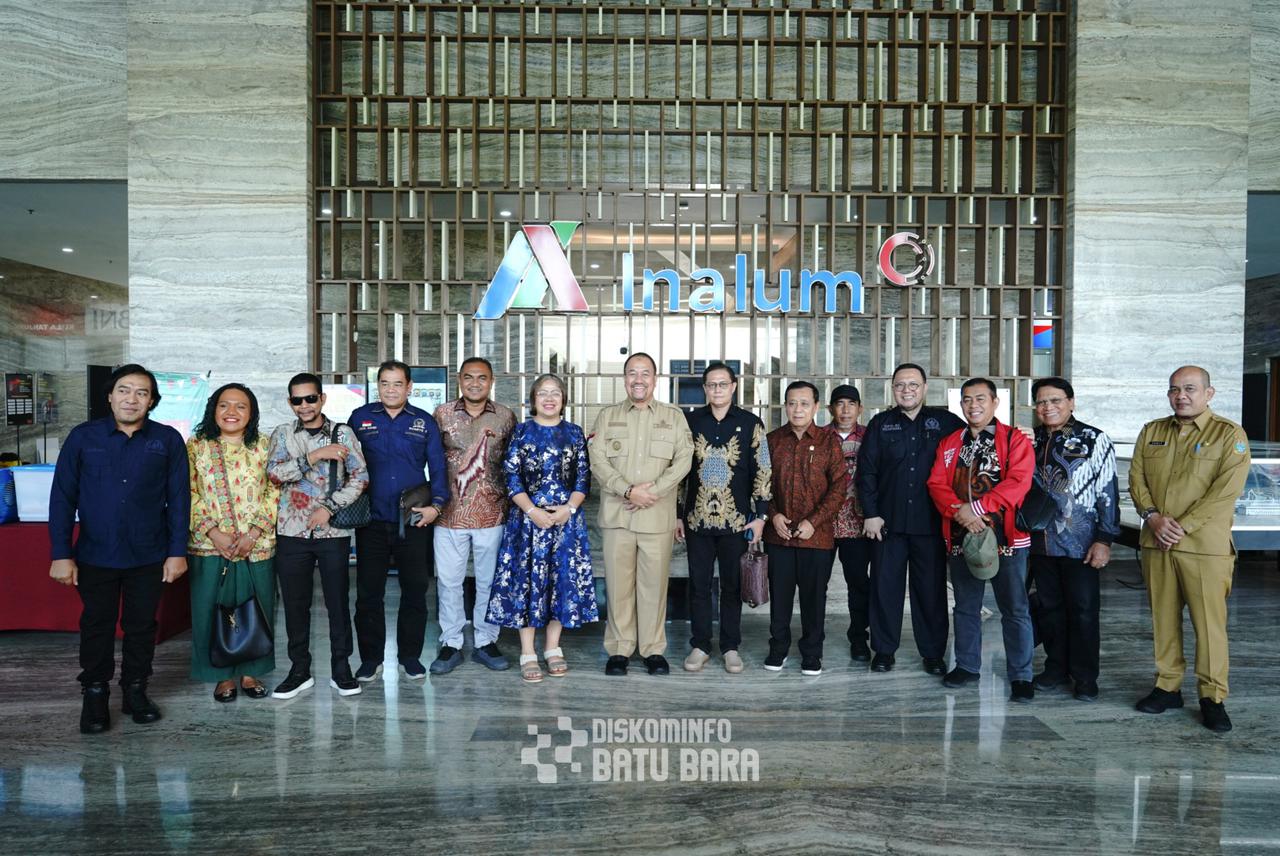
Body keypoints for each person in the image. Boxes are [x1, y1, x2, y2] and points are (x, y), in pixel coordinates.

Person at [48, 364, 190, 734]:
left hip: (149, 554)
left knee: (141, 626)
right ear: (109, 396)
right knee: (97, 625)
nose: (132, 399)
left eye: (141, 393)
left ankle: (135, 691)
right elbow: (62, 498)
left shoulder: (167, 441)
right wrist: (61, 554)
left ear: (152, 401)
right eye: (124, 390)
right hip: (96, 553)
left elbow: (179, 499)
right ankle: (94, 694)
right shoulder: (83, 438)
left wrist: (177, 551)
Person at [1129, 366, 1250, 733]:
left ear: (1208, 394)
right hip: (1157, 543)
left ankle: (1212, 697)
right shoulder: (1152, 431)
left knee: (1209, 626)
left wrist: (1181, 526)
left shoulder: (1229, 435)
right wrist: (1152, 518)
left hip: (1202, 548)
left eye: (1190, 388)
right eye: (1174, 389)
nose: (1181, 395)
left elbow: (1225, 491)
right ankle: (1167, 686)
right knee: (1163, 620)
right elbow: (1136, 479)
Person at [927, 377, 1036, 702]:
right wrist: (958, 512)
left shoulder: (1014, 439)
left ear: (994, 403)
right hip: (962, 537)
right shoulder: (950, 443)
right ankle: (967, 666)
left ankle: (1021, 675)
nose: (973, 406)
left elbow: (1019, 482)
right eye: (967, 400)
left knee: (1014, 608)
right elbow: (935, 483)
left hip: (1007, 539)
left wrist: (976, 508)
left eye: (980, 399)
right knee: (966, 607)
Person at [486, 374, 598, 683]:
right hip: (527, 522)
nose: (549, 398)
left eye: (556, 393)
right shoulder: (521, 432)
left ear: (564, 398)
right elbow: (511, 478)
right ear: (533, 399)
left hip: (566, 524)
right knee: (528, 584)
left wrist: (568, 509)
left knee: (559, 582)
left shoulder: (574, 433)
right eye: (543, 393)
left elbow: (583, 479)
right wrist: (533, 511)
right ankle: (527, 652)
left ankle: (552, 648)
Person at [588, 352, 693, 676]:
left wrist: (654, 491)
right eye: (632, 373)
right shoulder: (607, 416)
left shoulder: (673, 417)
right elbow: (597, 459)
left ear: (655, 379)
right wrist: (628, 490)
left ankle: (652, 650)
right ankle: (619, 650)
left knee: (653, 586)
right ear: (624, 379)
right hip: (618, 516)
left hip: (656, 518)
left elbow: (684, 459)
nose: (638, 379)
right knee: (618, 586)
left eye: (645, 373)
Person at [266, 373, 369, 699]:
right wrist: (313, 456)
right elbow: (273, 473)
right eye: (297, 400)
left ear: (321, 399)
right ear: (290, 402)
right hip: (291, 532)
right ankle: (299, 671)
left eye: (310, 398)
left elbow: (361, 477)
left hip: (332, 532)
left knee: (337, 603)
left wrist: (329, 507)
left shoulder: (343, 433)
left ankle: (342, 669)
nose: (305, 405)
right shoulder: (282, 435)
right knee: (295, 606)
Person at [857, 363, 964, 674]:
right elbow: (867, 472)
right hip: (886, 525)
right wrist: (871, 513)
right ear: (893, 389)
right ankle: (884, 651)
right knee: (884, 589)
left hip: (930, 525)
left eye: (913, 384)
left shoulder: (946, 423)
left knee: (930, 592)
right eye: (901, 385)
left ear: (925, 388)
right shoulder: (881, 424)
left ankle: (932, 654)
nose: (907, 390)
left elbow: (974, 444)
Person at [350, 360, 450, 681]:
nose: (390, 390)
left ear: (409, 387)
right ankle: (370, 659)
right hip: (372, 521)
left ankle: (410, 656)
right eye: (384, 383)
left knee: (415, 591)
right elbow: (349, 464)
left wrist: (437, 505)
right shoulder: (360, 418)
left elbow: (437, 468)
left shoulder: (424, 422)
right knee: (368, 594)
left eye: (397, 384)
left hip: (414, 519)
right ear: (377, 386)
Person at [1027, 377, 1120, 702]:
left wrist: (1104, 538)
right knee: (1050, 608)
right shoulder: (1030, 440)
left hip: (1081, 542)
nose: (1048, 407)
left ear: (1071, 402)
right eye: (1041, 402)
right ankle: (1055, 667)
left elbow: (1107, 490)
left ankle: (1085, 676)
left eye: (1055, 401)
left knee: (1083, 609)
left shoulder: (1094, 439)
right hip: (1040, 542)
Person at [186, 383, 279, 702]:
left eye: (240, 406)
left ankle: (252, 671)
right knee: (209, 609)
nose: (231, 412)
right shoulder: (196, 445)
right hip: (210, 545)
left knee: (258, 607)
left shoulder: (265, 445)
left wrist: (253, 533)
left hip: (257, 545)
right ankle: (220, 675)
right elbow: (188, 492)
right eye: (224, 405)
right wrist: (214, 531)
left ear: (251, 413)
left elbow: (275, 490)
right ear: (213, 409)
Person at [675, 362, 771, 675]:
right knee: (699, 585)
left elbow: (763, 471)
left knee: (732, 586)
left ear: (733, 386)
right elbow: (679, 473)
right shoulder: (690, 422)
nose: (717, 389)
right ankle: (701, 644)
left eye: (722, 384)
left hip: (737, 522)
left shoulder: (751, 423)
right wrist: (678, 515)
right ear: (705, 389)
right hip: (696, 520)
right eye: (711, 384)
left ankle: (730, 646)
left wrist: (761, 517)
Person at [431, 357, 516, 674]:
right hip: (449, 514)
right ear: (459, 380)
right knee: (449, 582)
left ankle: (485, 641)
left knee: (489, 582)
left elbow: (513, 463)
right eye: (468, 377)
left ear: (491, 381)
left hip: (492, 513)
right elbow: (431, 458)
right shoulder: (442, 414)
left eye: (482, 378)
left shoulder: (506, 417)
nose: (475, 383)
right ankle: (450, 643)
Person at [763, 381, 848, 677]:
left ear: (815, 407)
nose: (797, 409)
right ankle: (778, 648)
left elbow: (839, 487)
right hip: (779, 536)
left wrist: (815, 521)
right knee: (781, 595)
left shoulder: (828, 441)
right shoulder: (772, 440)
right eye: (791, 403)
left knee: (814, 598)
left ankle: (812, 653)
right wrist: (773, 515)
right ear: (785, 406)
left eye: (803, 403)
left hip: (817, 536)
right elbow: (761, 486)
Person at [824, 384, 871, 663]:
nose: (845, 410)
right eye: (839, 404)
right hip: (823, 524)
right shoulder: (818, 436)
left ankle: (858, 638)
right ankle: (813, 636)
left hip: (858, 523)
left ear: (859, 408)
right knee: (817, 583)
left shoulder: (870, 437)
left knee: (858, 584)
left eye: (851, 404)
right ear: (830, 408)